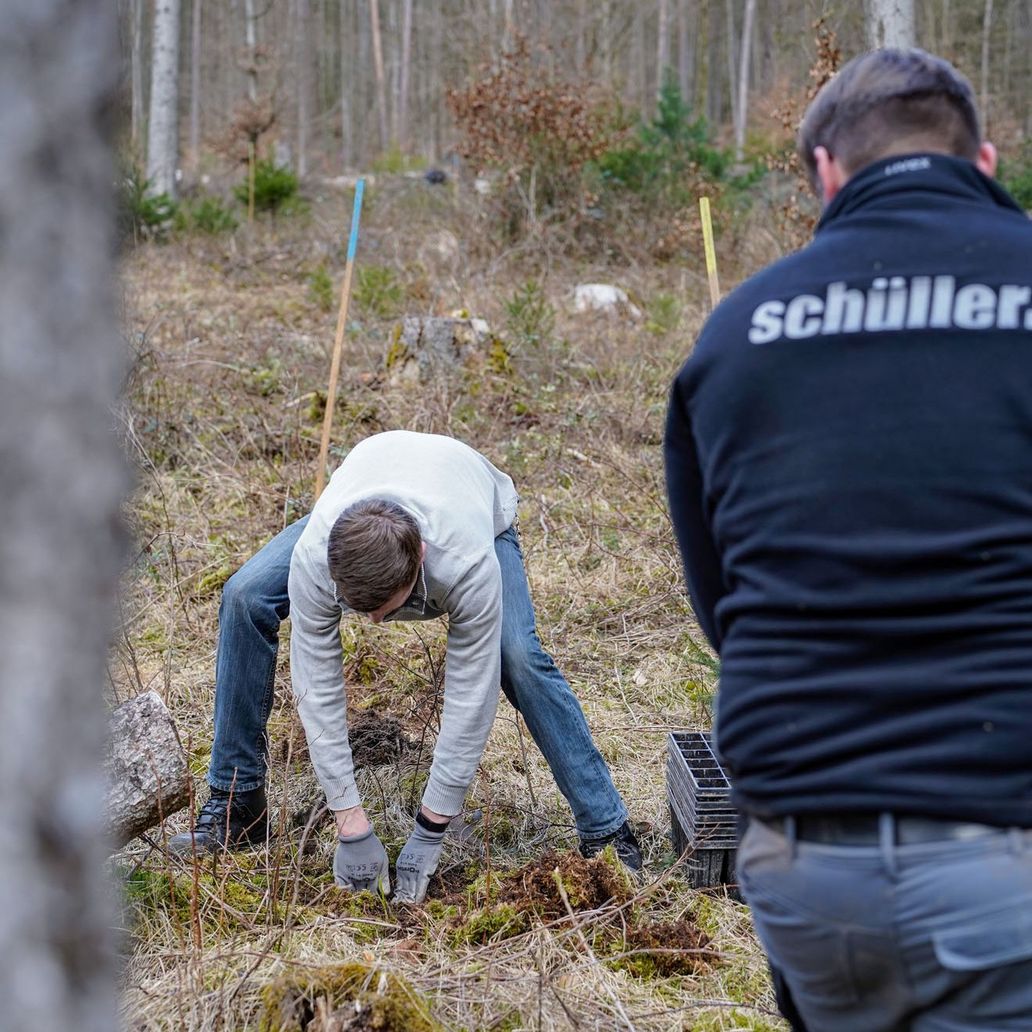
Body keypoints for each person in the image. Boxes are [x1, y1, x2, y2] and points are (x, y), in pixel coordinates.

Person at [664, 48, 1032, 1031]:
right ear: (985, 162)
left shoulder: (736, 333)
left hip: (802, 869)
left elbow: (722, 603)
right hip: (1005, 841)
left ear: (825, 173)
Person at [171, 430, 640, 902]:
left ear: (419, 561)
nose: (375, 622)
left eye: (385, 607)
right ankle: (237, 805)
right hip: (369, 498)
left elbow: (469, 697)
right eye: (361, 607)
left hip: (473, 503)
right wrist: (349, 821)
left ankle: (606, 828)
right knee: (244, 596)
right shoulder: (316, 559)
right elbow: (317, 687)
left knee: (516, 654)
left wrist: (431, 826)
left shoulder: (465, 561)